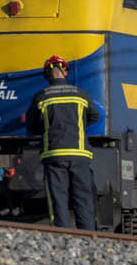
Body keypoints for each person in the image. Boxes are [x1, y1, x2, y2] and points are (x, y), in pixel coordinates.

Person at [27, 55, 100, 230]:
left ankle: (61, 234)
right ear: (66, 71)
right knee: (83, 197)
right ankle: (88, 235)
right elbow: (95, 116)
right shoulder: (81, 94)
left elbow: (32, 125)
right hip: (79, 154)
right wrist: (79, 126)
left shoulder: (41, 97)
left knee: (58, 198)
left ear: (47, 75)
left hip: (54, 154)